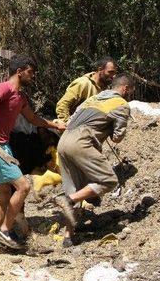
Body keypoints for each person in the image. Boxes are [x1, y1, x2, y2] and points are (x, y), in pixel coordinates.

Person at [0, 55, 66, 252]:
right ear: (20, 71)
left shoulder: (21, 97)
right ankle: (6, 231)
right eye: (30, 72)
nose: (32, 76)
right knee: (24, 186)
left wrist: (54, 125)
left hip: (3, 146)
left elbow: (33, 119)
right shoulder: (4, 88)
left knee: (4, 193)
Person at [54, 74, 134, 246]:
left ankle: (68, 236)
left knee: (74, 188)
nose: (129, 96)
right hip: (81, 141)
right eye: (130, 92)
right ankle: (67, 200)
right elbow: (117, 138)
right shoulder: (121, 104)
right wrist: (111, 129)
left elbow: (72, 119)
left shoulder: (92, 99)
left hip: (63, 141)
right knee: (109, 180)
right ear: (125, 89)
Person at [55, 56, 117, 123]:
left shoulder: (106, 89)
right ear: (100, 70)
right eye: (110, 72)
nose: (113, 76)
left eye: (114, 73)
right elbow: (63, 104)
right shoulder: (83, 83)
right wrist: (67, 124)